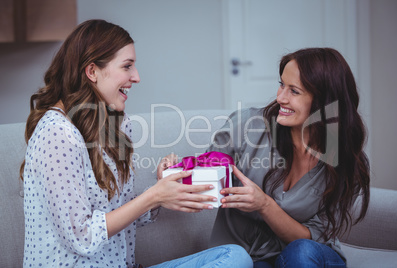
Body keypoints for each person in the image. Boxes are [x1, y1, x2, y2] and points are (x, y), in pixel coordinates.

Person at [20, 19, 253, 268]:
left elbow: (120, 214)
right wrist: (153, 197)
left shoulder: (117, 124)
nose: (137, 77)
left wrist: (162, 189)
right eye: (127, 66)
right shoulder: (56, 133)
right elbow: (81, 236)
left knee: (235, 256)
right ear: (92, 72)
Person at [206, 48, 370, 267]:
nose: (280, 97)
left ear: (324, 101)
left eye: (294, 91)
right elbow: (205, 172)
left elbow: (312, 238)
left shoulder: (344, 161)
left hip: (310, 257)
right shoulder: (246, 126)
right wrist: (175, 170)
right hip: (249, 259)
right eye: (282, 84)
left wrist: (264, 205)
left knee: (300, 253)